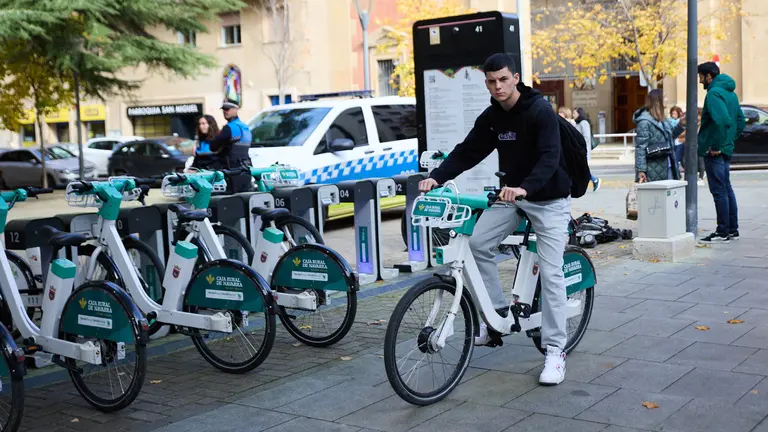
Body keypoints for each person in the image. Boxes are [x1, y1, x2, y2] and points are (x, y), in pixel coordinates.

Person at [419, 53, 572, 386]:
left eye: (503, 79)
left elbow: (550, 157)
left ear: (515, 78)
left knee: (551, 273)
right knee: (476, 244)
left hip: (548, 199)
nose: (498, 86)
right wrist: (437, 177)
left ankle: (555, 350)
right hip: (512, 198)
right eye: (491, 81)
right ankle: (497, 317)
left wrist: (525, 187)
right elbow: (468, 151)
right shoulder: (492, 117)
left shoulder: (540, 112)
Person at [697, 62, 745, 243]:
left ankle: (723, 231)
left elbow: (723, 120)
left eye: (701, 77)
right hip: (724, 148)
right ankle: (732, 230)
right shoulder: (730, 93)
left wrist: (717, 145)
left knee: (719, 191)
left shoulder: (713, 93)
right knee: (726, 189)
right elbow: (740, 121)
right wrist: (729, 140)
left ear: (709, 76)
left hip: (714, 151)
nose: (700, 80)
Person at [633, 89, 680, 183]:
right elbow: (640, 148)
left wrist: (681, 125)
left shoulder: (663, 120)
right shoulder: (644, 122)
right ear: (657, 101)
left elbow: (671, 136)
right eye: (664, 97)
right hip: (652, 169)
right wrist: (641, 170)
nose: (667, 99)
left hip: (668, 165)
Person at [210, 101, 253, 169]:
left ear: (236, 109)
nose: (225, 111)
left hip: (230, 168)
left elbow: (213, 146)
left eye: (227, 109)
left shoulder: (230, 127)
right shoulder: (245, 127)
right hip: (245, 165)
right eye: (223, 109)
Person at [573, 107, 600, 191]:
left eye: (574, 113)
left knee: (581, 169)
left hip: (582, 150)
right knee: (580, 169)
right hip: (578, 150)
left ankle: (594, 180)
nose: (573, 115)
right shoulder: (577, 123)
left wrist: (581, 148)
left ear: (579, 114)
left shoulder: (583, 123)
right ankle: (594, 180)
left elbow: (586, 137)